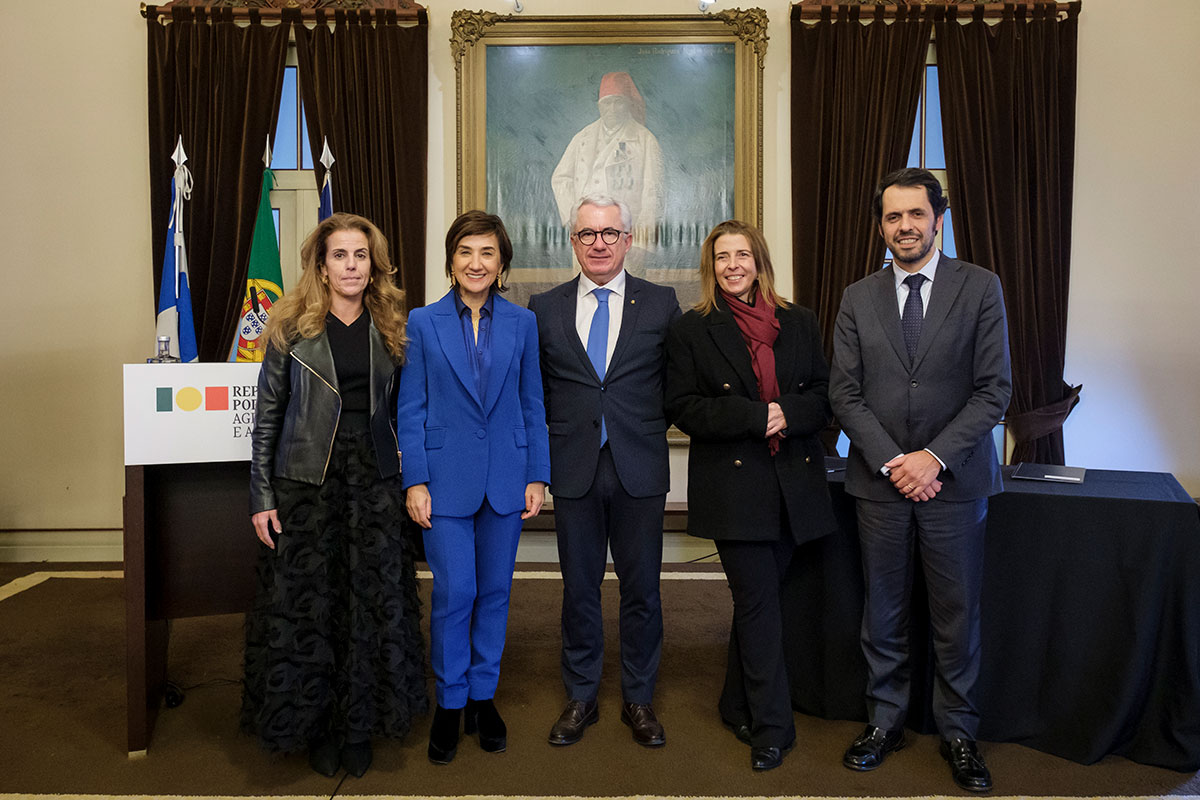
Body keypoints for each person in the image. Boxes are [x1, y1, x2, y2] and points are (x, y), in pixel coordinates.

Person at [829, 168, 1011, 793]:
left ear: (939, 218)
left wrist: (931, 458)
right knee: (882, 612)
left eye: (915, 214)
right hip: (880, 485)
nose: (904, 227)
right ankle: (885, 722)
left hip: (954, 485)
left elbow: (995, 392)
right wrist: (893, 461)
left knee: (955, 615)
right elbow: (844, 394)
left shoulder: (981, 288)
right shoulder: (858, 296)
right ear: (880, 225)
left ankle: (959, 732)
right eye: (892, 217)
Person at [243, 212, 426, 778]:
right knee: (313, 611)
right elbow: (267, 418)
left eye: (360, 255)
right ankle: (314, 727)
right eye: (339, 255)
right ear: (321, 266)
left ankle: (358, 726)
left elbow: (404, 411)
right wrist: (261, 496)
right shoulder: (289, 327)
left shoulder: (394, 328)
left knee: (368, 609)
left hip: (373, 484)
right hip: (306, 487)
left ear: (374, 266)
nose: (350, 265)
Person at [664, 220, 838, 771]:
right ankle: (772, 727)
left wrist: (789, 410)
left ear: (759, 260)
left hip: (795, 484)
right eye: (722, 257)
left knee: (762, 602)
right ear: (710, 267)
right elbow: (684, 407)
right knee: (758, 603)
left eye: (742, 254)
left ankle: (733, 701)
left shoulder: (799, 322)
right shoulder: (693, 329)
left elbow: (824, 395)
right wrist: (756, 416)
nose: (733, 265)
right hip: (734, 488)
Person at [396, 210, 551, 765]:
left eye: (487, 253)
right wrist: (413, 479)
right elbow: (410, 408)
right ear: (451, 260)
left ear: (502, 262)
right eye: (466, 252)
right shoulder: (421, 321)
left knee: (495, 594)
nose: (476, 263)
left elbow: (533, 402)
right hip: (443, 482)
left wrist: (538, 473)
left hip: (507, 479)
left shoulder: (523, 323)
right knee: (455, 593)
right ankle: (451, 700)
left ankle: (484, 697)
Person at [528, 194, 680, 749]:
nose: (599, 243)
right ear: (573, 241)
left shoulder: (661, 304)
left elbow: (676, 384)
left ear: (628, 239)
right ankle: (582, 696)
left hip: (639, 467)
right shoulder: (543, 308)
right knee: (579, 590)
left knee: (643, 590)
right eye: (587, 234)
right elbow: (536, 392)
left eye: (609, 233)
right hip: (573, 470)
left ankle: (639, 698)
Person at [551, 72, 664, 241]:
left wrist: (642, 241)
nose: (612, 109)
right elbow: (560, 178)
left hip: (625, 238)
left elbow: (653, 193)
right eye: (607, 103)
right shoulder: (582, 137)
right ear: (599, 106)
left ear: (628, 104)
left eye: (618, 102)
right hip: (585, 236)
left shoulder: (645, 140)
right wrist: (573, 220)